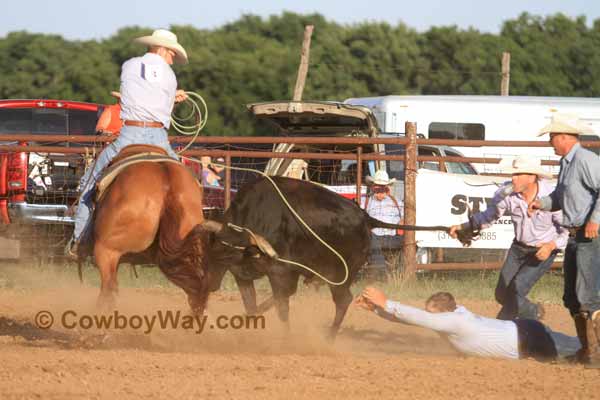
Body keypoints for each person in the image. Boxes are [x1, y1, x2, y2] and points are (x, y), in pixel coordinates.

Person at [67, 29, 189, 256]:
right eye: (172, 53)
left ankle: (80, 241)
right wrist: (172, 99)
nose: (172, 58)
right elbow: (157, 105)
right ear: (162, 49)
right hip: (159, 138)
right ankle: (190, 238)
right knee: (186, 184)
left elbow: (139, 97)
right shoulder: (170, 77)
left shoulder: (130, 66)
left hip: (129, 135)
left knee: (89, 183)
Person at [449, 155, 568, 321]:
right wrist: (464, 226)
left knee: (516, 290)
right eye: (513, 174)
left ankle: (498, 331)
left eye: (518, 174)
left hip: (542, 251)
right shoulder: (506, 194)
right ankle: (532, 312)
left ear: (532, 177)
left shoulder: (552, 198)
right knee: (502, 294)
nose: (513, 178)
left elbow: (568, 230)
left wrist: (550, 246)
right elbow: (489, 216)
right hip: (518, 248)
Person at [528, 113, 600, 368]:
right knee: (572, 296)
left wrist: (596, 220)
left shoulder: (585, 160)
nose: (550, 142)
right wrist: (542, 203)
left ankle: (594, 353)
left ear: (565, 138)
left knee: (586, 296)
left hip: (589, 235)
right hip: (575, 235)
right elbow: (560, 196)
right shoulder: (568, 163)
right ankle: (587, 350)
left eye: (552, 138)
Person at [355, 287, 581, 362]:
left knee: (580, 349)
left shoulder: (454, 321)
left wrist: (386, 302)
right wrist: (377, 309)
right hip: (524, 333)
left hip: (528, 338)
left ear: (444, 312)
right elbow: (413, 319)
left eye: (432, 314)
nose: (430, 318)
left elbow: (418, 318)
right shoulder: (453, 318)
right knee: (575, 346)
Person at [363, 170, 403, 270]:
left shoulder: (396, 202)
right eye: (378, 189)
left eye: (383, 189)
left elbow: (406, 216)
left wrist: (402, 220)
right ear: (373, 187)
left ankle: (400, 273)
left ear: (387, 188)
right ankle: (381, 272)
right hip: (374, 237)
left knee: (408, 242)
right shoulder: (366, 202)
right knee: (371, 241)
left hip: (393, 237)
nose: (381, 192)